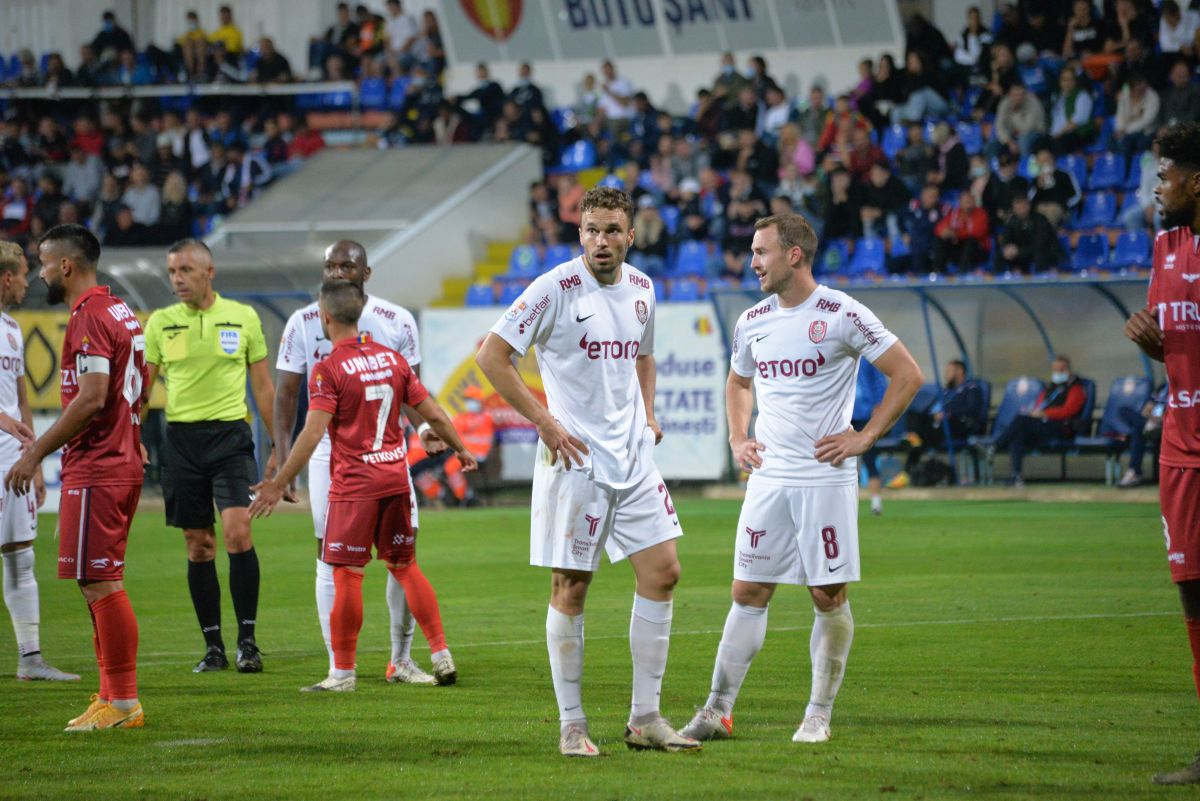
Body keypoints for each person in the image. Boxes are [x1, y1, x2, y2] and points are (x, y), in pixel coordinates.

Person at [679, 212, 922, 744]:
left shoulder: (841, 313)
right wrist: (737, 438)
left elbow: (907, 374)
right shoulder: (752, 321)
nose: (753, 262)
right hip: (769, 477)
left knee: (827, 595)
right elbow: (738, 382)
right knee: (747, 589)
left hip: (824, 478)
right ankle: (717, 709)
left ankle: (818, 713)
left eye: (761, 251)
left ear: (794, 255)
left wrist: (865, 436)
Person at [476, 187, 698, 757]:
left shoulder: (644, 288)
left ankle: (645, 717)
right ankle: (572, 725)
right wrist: (545, 424)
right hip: (577, 462)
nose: (602, 241)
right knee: (570, 587)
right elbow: (491, 356)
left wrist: (648, 414)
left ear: (631, 234)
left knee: (664, 571)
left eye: (613, 230)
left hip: (633, 459)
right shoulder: (553, 288)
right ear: (580, 234)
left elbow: (643, 355)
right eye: (592, 230)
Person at [251, 280, 474, 691]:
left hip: (354, 485)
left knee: (347, 575)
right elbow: (434, 413)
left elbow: (313, 432)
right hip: (395, 477)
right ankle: (440, 652)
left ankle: (342, 674)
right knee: (405, 567)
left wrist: (279, 481)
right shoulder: (392, 360)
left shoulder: (329, 369)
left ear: (325, 318)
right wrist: (461, 450)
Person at [274, 240, 442, 686]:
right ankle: (339, 665)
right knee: (329, 557)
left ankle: (400, 660)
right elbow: (287, 394)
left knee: (402, 552)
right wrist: (280, 454)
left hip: (387, 448)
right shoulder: (303, 321)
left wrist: (425, 432)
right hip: (329, 451)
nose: (336, 272)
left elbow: (412, 392)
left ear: (365, 273)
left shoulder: (396, 320)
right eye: (329, 265)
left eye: (346, 265)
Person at [5, 224, 146, 730]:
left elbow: (91, 397)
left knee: (101, 582)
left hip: (98, 466)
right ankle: (110, 693)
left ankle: (123, 702)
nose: (40, 272)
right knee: (97, 581)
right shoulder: (121, 310)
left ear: (64, 265)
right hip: (119, 460)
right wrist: (135, 433)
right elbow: (140, 387)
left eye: (43, 262)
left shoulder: (88, 315)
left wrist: (33, 454)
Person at [141, 239, 276, 673]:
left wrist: (279, 446)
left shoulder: (243, 317)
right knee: (198, 545)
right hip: (181, 442)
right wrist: (130, 435)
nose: (177, 279)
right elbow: (142, 391)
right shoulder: (160, 323)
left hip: (231, 440)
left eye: (185, 270)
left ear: (209, 271)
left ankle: (248, 643)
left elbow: (263, 388)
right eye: (171, 272)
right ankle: (214, 648)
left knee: (238, 533)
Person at [1123, 122, 1200, 785]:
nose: (1158, 187)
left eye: (1166, 176)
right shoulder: (1165, 244)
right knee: (1193, 598)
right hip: (1180, 448)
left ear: (1196, 181)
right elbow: (1172, 345)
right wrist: (1151, 344)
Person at [0, 242, 77, 682]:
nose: (29, 281)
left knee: (20, 558)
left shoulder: (11, 328)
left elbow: (21, 393)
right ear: (7, 277)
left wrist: (35, 454)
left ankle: (30, 659)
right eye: (23, 273)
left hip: (12, 459)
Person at [987, 355, 1087, 486]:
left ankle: (995, 446)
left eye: (1060, 370)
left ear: (1067, 370)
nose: (1056, 373)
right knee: (1018, 435)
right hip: (1043, 426)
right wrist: (1035, 413)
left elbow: (1068, 411)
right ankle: (1016, 476)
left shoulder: (1076, 389)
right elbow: (1039, 406)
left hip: (1061, 427)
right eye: (1054, 370)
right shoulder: (1050, 389)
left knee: (1021, 420)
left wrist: (1045, 413)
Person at [892, 359, 986, 487]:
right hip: (939, 428)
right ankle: (912, 440)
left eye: (949, 371)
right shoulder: (947, 391)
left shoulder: (972, 388)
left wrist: (949, 414)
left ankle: (906, 471)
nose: (945, 374)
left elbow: (972, 410)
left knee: (920, 438)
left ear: (959, 371)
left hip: (958, 426)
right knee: (913, 415)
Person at [852, 358, 888, 515]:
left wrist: (878, 405)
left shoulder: (867, 356)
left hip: (864, 414)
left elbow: (879, 382)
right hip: (841, 414)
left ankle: (876, 502)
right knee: (837, 460)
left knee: (869, 458)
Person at [997, 195, 1060, 272]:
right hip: (1021, 253)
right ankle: (996, 280)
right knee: (1000, 254)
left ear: (1028, 206)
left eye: (1023, 207)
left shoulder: (1040, 220)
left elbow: (1040, 244)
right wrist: (1006, 249)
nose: (1021, 210)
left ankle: (1039, 279)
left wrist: (1019, 251)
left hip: (1041, 251)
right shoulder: (1012, 221)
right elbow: (1006, 238)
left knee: (1039, 254)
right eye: (1018, 208)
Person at [932, 191, 990, 272]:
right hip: (957, 247)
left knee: (971, 242)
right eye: (965, 200)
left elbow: (976, 232)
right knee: (941, 239)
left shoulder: (981, 213)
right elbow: (939, 228)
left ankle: (962, 272)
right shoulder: (954, 213)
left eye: (970, 200)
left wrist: (956, 234)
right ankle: (938, 271)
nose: (968, 203)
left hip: (977, 249)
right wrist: (945, 232)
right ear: (960, 202)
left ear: (974, 201)